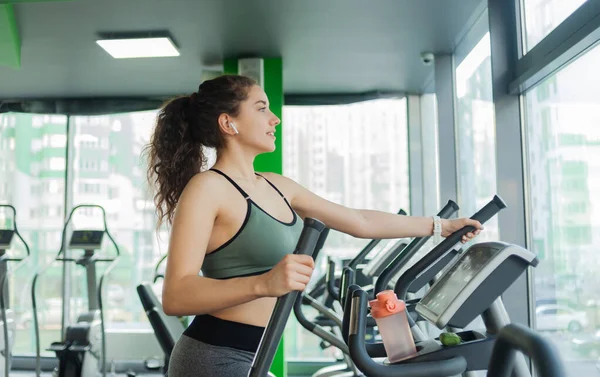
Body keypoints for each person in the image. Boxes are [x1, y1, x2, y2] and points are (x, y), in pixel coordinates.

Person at [144, 74, 482, 377]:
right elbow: (176, 295)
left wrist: (440, 226)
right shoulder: (207, 189)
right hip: (211, 358)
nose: (274, 118)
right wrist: (265, 283)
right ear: (228, 123)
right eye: (261, 108)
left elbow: (359, 220)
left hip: (255, 355)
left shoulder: (278, 185)